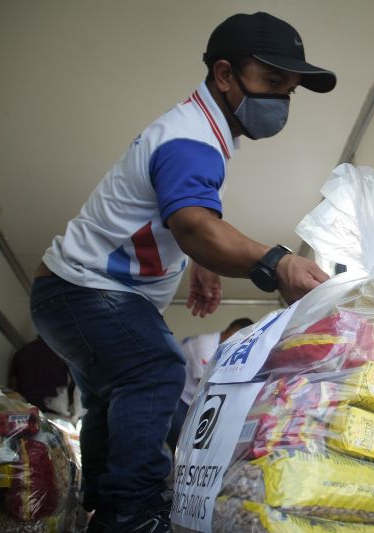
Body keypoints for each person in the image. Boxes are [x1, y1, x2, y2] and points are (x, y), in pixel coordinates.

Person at [29, 12, 334, 533]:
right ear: (224, 74)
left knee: (111, 396)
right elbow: (193, 223)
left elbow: (177, 220)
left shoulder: (200, 129)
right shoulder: (192, 140)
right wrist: (276, 262)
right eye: (272, 83)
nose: (281, 102)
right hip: (83, 291)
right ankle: (136, 512)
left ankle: (105, 506)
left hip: (68, 295)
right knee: (156, 369)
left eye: (290, 91)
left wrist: (196, 260)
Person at [165, 317, 253, 451]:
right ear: (232, 333)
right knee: (182, 447)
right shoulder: (205, 346)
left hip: (195, 400)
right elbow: (210, 390)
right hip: (177, 398)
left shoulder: (230, 348)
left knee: (198, 446)